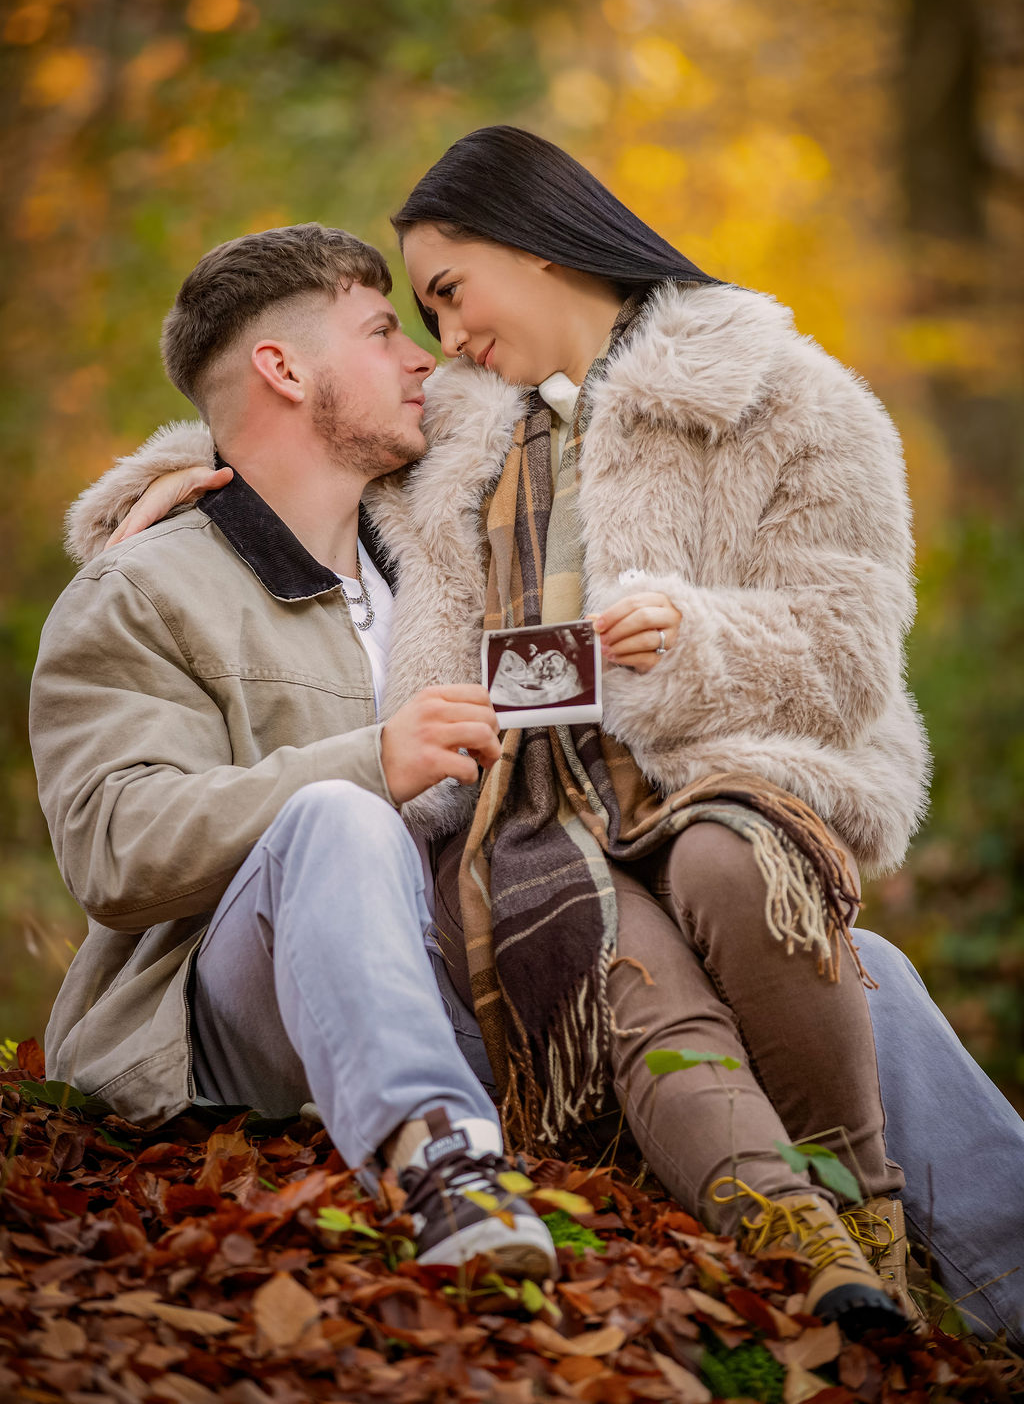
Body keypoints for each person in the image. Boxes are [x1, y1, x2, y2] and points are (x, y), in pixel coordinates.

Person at [74, 136, 1023, 1344]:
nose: (441, 345)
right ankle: (789, 1237)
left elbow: (848, 651)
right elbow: (302, 426)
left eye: (448, 296)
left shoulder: (781, 401)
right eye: (408, 319)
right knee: (609, 935)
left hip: (712, 808)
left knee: (859, 974)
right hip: (522, 845)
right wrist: (162, 483)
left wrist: (690, 636)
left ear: (529, 242)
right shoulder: (478, 430)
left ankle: (955, 1285)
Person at [29, 223, 558, 1280]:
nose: (423, 357)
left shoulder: (438, 578)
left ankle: (992, 1288)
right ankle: (443, 1168)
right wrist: (374, 761)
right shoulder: (146, 587)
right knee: (336, 817)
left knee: (849, 964)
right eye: (381, 331)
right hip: (218, 1025)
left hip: (457, 972)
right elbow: (116, 848)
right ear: (281, 367)